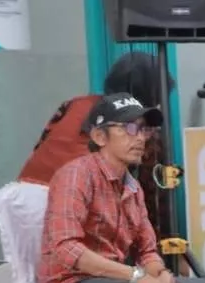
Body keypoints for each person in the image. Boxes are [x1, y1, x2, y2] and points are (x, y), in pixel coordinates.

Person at [38, 93, 205, 283]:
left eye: (143, 129)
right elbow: (66, 248)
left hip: (116, 280)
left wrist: (160, 274)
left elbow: (147, 250)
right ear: (99, 137)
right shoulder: (77, 175)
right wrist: (136, 276)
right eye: (129, 128)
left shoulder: (132, 187)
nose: (140, 137)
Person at [19, 52, 175, 233]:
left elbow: (43, 143)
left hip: (23, 195)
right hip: (66, 198)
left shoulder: (76, 104)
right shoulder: (137, 127)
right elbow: (151, 199)